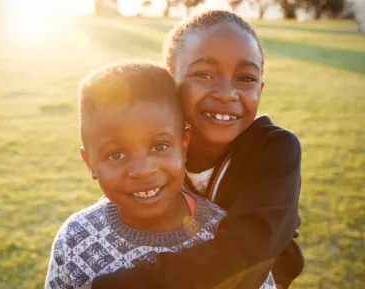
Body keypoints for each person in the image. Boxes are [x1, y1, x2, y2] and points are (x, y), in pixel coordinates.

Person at [91, 10, 304, 289]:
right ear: (169, 85)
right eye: (204, 74)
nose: (227, 93)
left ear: (260, 90)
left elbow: (244, 255)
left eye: (246, 78)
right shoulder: (156, 147)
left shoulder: (275, 150)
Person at [44, 61, 277, 289]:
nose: (143, 170)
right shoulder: (75, 238)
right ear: (90, 163)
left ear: (184, 144)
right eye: (116, 155)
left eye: (160, 146)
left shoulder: (223, 239)